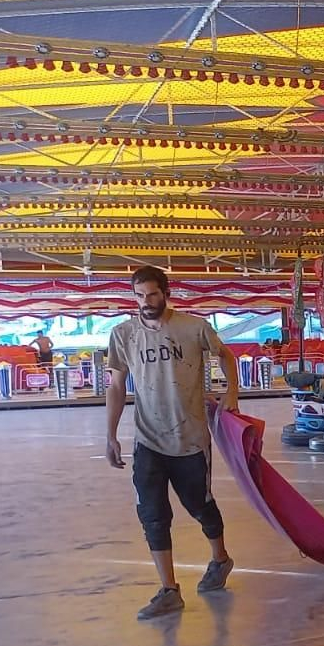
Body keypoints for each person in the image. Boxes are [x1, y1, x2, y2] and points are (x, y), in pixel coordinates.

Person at [105, 265, 240, 620]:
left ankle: (220, 558)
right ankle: (169, 590)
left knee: (199, 504)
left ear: (166, 292)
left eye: (151, 294)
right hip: (148, 439)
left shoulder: (193, 328)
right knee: (152, 514)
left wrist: (232, 392)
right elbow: (117, 386)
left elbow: (225, 355)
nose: (145, 302)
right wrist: (111, 435)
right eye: (139, 295)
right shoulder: (123, 334)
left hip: (190, 437)